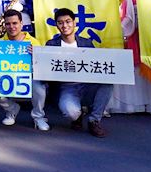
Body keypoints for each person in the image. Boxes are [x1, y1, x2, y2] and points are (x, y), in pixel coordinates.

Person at [32, 7, 109, 137]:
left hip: (86, 84)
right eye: (60, 22)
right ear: (56, 25)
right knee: (71, 112)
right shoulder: (51, 45)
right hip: (66, 88)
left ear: (74, 23)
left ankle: (94, 120)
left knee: (108, 84)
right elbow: (45, 68)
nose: (64, 25)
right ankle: (77, 116)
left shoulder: (86, 43)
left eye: (68, 21)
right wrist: (37, 55)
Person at [0, 9, 35, 126]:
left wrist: (36, 55)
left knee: (40, 85)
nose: (11, 27)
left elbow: (43, 68)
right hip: (7, 83)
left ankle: (39, 116)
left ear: (21, 24)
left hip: (28, 84)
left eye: (15, 23)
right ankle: (11, 109)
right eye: (8, 24)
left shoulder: (34, 42)